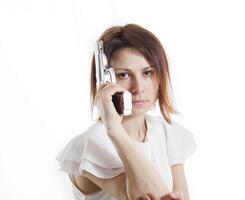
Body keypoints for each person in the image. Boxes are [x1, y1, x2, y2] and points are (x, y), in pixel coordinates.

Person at [56, 23, 197, 200]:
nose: (138, 88)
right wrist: (114, 130)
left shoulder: (167, 132)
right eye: (123, 74)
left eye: (147, 73)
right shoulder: (91, 143)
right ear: (103, 82)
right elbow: (139, 195)